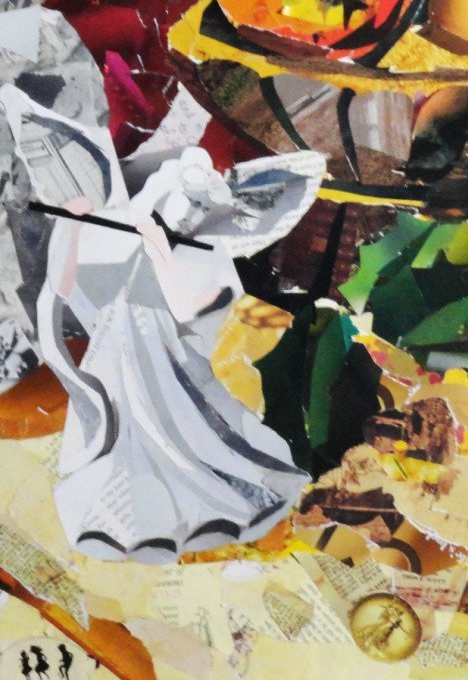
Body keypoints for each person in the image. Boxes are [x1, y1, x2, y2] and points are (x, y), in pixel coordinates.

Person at [35, 145, 322, 561]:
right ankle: (134, 517)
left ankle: (183, 510)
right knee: (138, 429)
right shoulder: (113, 236)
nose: (184, 217)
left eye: (192, 210)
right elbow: (62, 289)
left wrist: (185, 277)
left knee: (177, 430)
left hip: (156, 346)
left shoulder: (172, 246)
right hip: (119, 347)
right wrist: (71, 229)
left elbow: (184, 304)